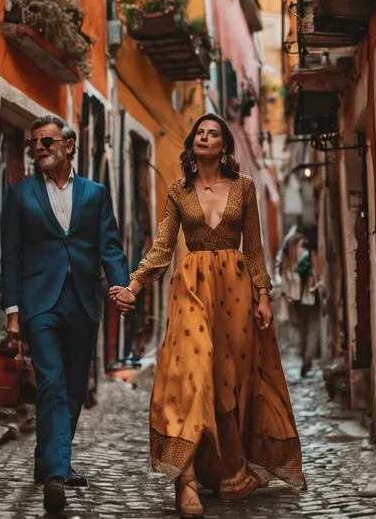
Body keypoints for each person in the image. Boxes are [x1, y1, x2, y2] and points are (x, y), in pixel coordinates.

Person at [111, 114, 305, 519]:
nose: (204, 136)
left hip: (236, 293)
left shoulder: (245, 187)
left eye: (213, 133)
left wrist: (264, 295)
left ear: (224, 145)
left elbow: (253, 247)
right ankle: (187, 483)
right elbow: (163, 245)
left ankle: (232, 469)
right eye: (200, 131)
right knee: (190, 375)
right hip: (193, 289)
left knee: (227, 383)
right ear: (193, 142)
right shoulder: (179, 191)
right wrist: (135, 285)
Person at [1, 115, 129, 516]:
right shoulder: (20, 195)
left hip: (83, 300)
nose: (39, 147)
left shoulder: (95, 193)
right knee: (52, 382)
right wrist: (12, 310)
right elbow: (10, 255)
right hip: (39, 302)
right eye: (34, 142)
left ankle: (48, 458)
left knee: (74, 387)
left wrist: (121, 287)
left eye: (46, 141)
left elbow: (109, 245)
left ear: (68, 146)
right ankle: (56, 475)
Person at [296, 238, 320, 377]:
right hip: (311, 298)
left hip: (299, 299)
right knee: (313, 328)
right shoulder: (309, 256)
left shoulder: (295, 255)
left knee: (303, 330)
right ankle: (308, 358)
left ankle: (304, 356)